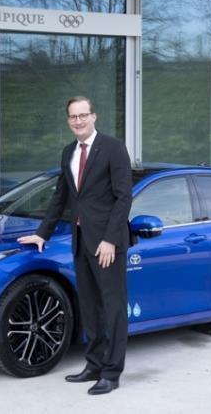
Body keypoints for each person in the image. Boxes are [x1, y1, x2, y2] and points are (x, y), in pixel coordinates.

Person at [18, 96, 133, 395]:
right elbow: (61, 197)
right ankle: (94, 363)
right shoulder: (69, 151)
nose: (78, 121)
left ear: (94, 116)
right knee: (90, 307)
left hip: (108, 243)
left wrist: (110, 239)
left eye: (83, 115)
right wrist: (43, 233)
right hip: (81, 242)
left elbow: (124, 197)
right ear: (68, 120)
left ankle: (112, 372)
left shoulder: (113, 148)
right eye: (73, 116)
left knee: (113, 308)